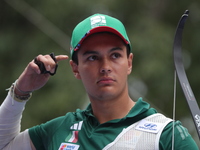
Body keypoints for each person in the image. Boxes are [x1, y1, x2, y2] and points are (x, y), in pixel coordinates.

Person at [0, 13, 198, 150]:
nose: (105, 66)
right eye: (92, 57)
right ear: (75, 68)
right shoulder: (59, 130)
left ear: (129, 63)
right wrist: (20, 92)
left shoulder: (166, 134)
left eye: (115, 55)